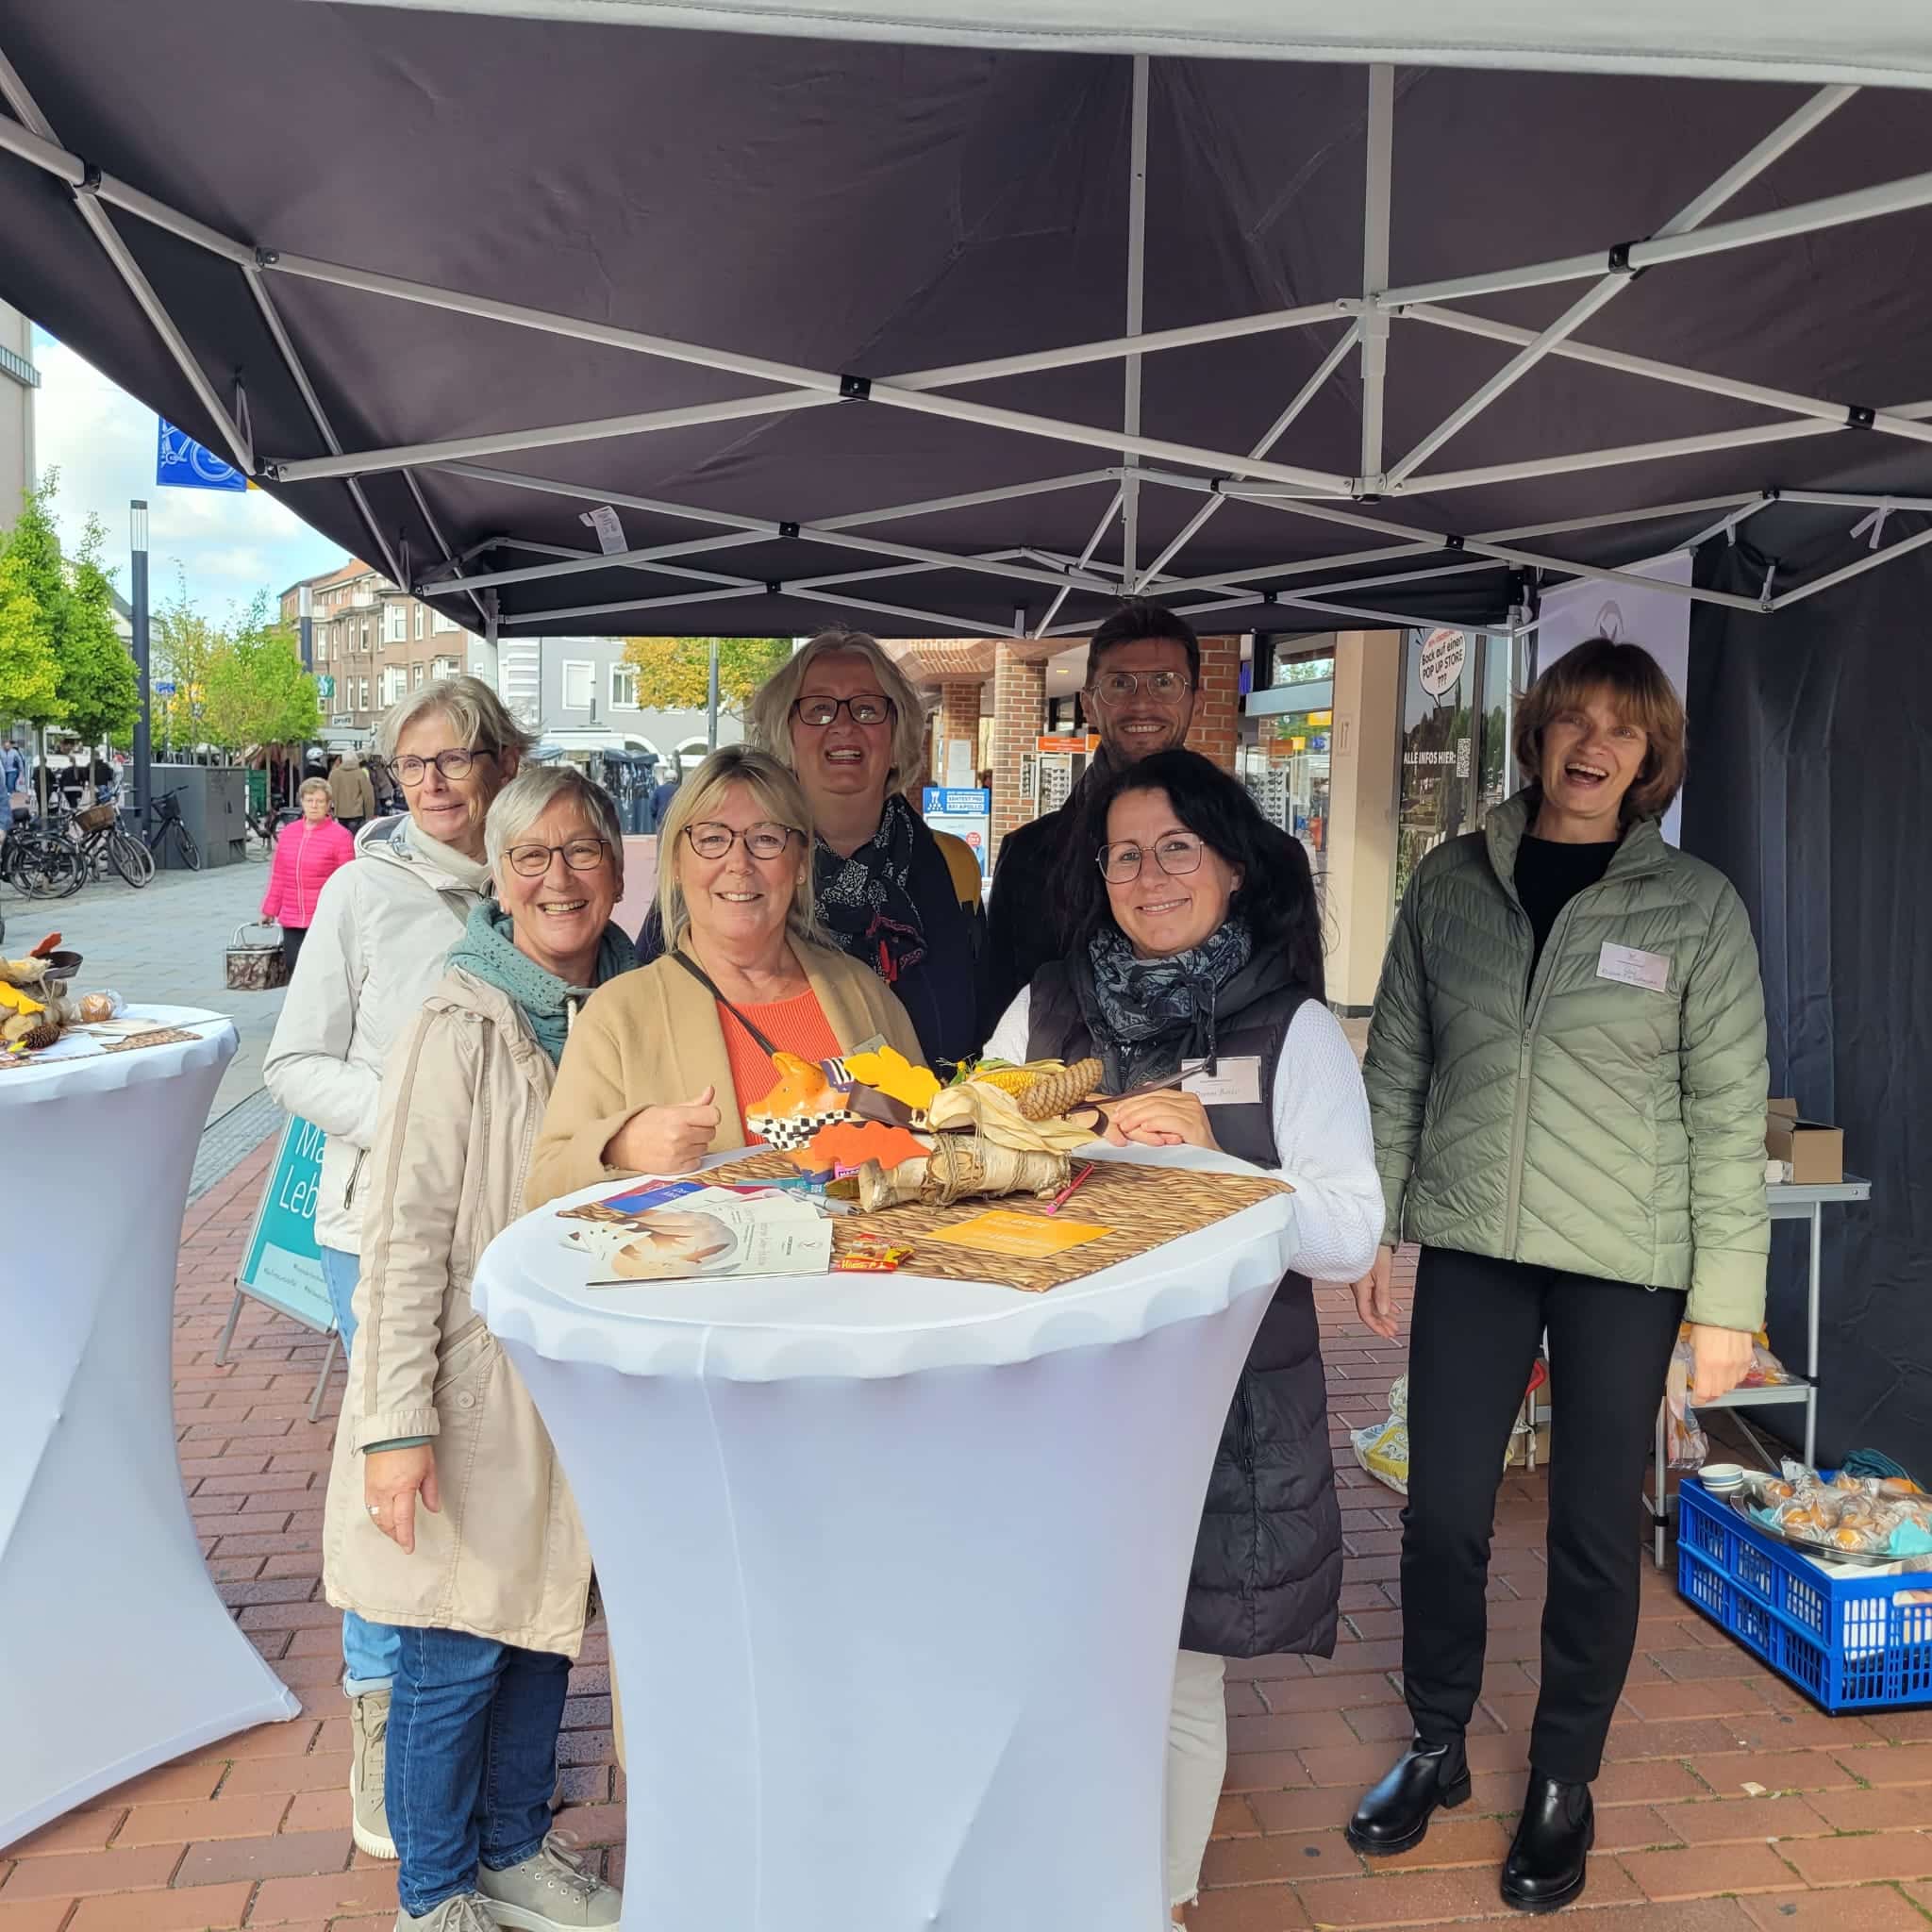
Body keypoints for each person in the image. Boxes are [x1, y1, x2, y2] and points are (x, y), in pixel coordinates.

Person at [1345, 639, 1769, 1914]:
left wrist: (1725, 1307)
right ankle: (1436, 1741)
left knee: (1591, 1528)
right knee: (1442, 1511)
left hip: (1624, 1262)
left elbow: (1726, 1107)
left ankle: (1561, 1778)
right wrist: (1371, 1227)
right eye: (1573, 718)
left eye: (1622, 730)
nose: (1593, 745)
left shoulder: (1694, 906)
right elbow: (1398, 1063)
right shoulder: (1450, 880)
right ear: (1534, 732)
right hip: (1475, 1240)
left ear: (1651, 759)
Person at [982, 746, 1384, 1924]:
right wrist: (1066, 1145)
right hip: (1052, 1391)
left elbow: (1349, 1231)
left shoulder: (1293, 1029)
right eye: (1124, 855)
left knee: (1173, 1669)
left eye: (1176, 849)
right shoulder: (1043, 1006)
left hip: (1214, 1405)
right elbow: (969, 1167)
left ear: (1231, 866)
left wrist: (1218, 1162)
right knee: (1051, 1651)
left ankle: (1152, 1901)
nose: (1149, 875)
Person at [323, 765, 634, 1932]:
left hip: (574, 1384)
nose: (558, 877)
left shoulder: (632, 1003)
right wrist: (396, 1426)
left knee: (542, 1633)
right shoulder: (461, 1016)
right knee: (454, 1649)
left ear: (616, 864)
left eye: (581, 849)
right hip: (469, 1383)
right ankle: (434, 1889)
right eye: (530, 856)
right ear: (498, 879)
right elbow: (403, 1232)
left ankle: (511, 1848)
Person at [263, 675, 527, 1862]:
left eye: (455, 756)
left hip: (509, 1225)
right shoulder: (362, 893)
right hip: (378, 1225)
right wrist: (419, 1119)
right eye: (412, 763)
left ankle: (469, 1711)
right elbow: (293, 1062)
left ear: (501, 761)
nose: (432, 781)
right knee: (394, 1469)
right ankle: (378, 1708)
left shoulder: (534, 882)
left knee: (487, 1464)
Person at [527, 743, 923, 1208]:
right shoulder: (618, 1015)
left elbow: (927, 1135)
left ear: (800, 863)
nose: (739, 863)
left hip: (873, 1252)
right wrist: (619, 1146)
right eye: (713, 839)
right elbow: (543, 1187)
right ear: (677, 863)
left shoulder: (861, 991)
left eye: (766, 838)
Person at [633, 630, 984, 1068]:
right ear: (786, 735)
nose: (844, 725)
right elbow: (648, 1010)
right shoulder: (724, 870)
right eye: (818, 709)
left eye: (867, 709)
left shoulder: (952, 866)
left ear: (898, 736)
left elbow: (980, 1028)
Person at [984, 600, 1200, 1021]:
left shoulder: (1256, 853)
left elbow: (1291, 1017)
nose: (1142, 703)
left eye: (1165, 682)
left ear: (1197, 701)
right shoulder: (1028, 858)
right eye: (1119, 684)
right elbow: (999, 1021)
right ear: (1088, 704)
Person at [259, 777, 357, 974]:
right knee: (294, 967)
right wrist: (269, 910)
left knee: (321, 971)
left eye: (320, 801)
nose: (314, 805)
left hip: (324, 917)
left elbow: (348, 880)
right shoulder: (288, 833)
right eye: (309, 800)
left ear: (328, 805)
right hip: (292, 916)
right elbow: (279, 875)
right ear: (302, 802)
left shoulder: (341, 836)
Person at [331, 748, 377, 834]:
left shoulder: (334, 774)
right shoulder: (360, 773)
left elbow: (329, 794)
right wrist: (369, 816)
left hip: (339, 814)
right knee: (354, 838)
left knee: (341, 838)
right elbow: (368, 795)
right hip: (357, 814)